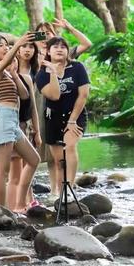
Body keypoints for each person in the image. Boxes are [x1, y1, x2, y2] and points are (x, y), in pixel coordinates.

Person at [35, 19, 91, 196]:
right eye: (55, 46)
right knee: (58, 160)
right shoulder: (42, 71)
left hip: (75, 114)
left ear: (67, 51)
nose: (59, 49)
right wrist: (52, 72)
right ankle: (59, 193)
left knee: (69, 147)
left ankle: (69, 189)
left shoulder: (77, 66)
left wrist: (73, 120)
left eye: (62, 46)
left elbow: (83, 94)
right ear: (47, 51)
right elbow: (54, 95)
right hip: (52, 115)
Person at [0, 33, 40, 212]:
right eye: (1, 45)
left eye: (7, 45)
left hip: (12, 121)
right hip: (1, 118)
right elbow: (7, 59)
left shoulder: (7, 73)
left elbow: (24, 96)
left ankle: (19, 204)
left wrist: (15, 75)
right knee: (2, 170)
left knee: (34, 159)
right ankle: (3, 211)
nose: (6, 48)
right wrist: (19, 44)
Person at [6, 41, 42, 209]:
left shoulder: (31, 74)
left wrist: (37, 131)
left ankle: (28, 200)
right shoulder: (4, 74)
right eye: (24, 46)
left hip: (25, 124)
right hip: (11, 124)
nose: (27, 50)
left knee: (28, 164)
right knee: (16, 169)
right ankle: (16, 206)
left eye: (31, 47)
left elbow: (33, 105)